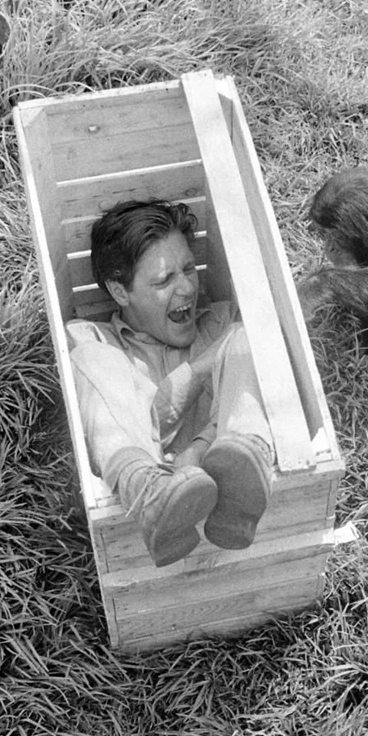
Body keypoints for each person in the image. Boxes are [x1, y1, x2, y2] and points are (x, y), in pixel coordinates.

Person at [66, 199, 274, 568]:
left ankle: (238, 495)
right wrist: (206, 364)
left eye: (189, 269)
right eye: (164, 280)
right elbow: (148, 421)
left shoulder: (224, 322)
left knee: (249, 338)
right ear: (120, 291)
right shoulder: (93, 342)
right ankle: (148, 493)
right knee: (90, 359)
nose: (187, 288)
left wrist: (198, 449)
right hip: (143, 510)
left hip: (232, 491)